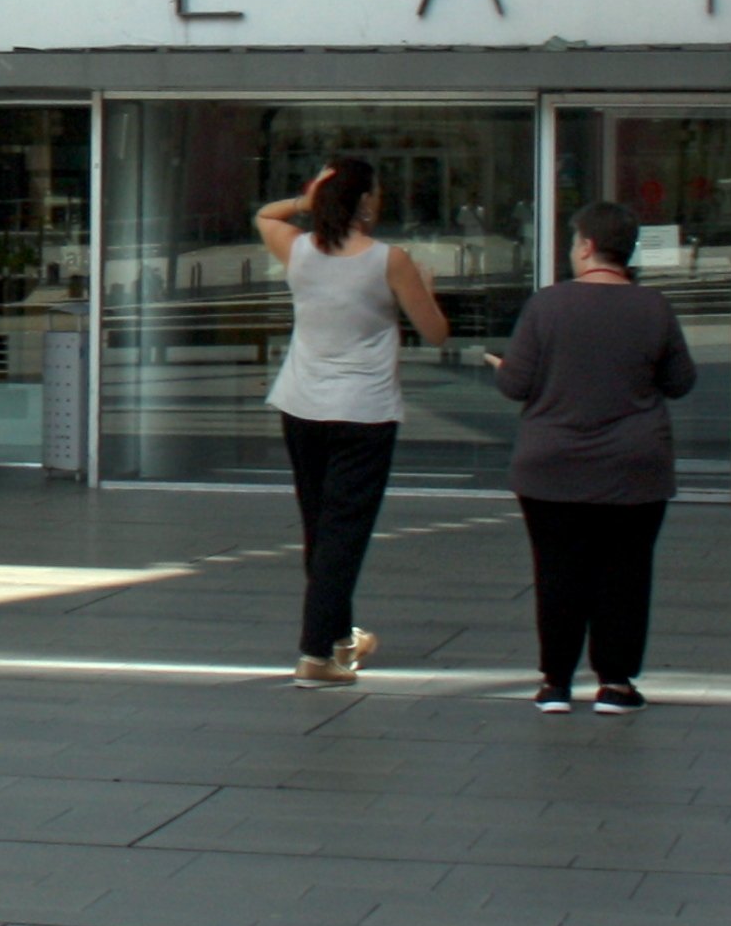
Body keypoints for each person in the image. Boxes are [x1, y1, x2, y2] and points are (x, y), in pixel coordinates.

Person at [493, 200, 698, 714]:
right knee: (625, 573)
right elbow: (680, 382)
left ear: (586, 247)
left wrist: (503, 365)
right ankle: (616, 682)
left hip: (551, 465)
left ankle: (555, 682)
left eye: (572, 242)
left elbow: (516, 384)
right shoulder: (654, 307)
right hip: (634, 466)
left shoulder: (546, 305)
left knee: (558, 571)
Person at [255, 158, 448, 687]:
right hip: (364, 411)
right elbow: (435, 332)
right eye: (377, 193)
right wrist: (426, 289)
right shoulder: (391, 260)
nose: (380, 201)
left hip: (301, 405)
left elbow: (265, 215)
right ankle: (316, 656)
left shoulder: (296, 248)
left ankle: (340, 638)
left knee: (320, 529)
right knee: (344, 533)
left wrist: (304, 200)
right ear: (365, 202)